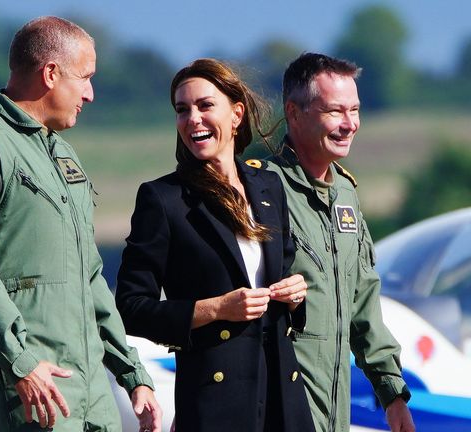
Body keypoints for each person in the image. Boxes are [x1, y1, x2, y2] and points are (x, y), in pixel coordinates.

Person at [0, 16, 161, 432]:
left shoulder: (62, 155)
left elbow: (88, 277)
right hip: (37, 389)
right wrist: (21, 362)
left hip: (92, 396)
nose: (90, 94)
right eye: (85, 78)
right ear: (51, 73)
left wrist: (132, 375)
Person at [115, 58, 315, 432]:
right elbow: (131, 307)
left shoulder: (269, 186)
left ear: (236, 114)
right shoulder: (162, 199)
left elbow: (282, 277)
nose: (193, 119)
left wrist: (296, 293)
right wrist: (216, 308)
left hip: (283, 395)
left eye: (205, 105)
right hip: (215, 402)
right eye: (182, 110)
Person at [261, 52, 414, 431]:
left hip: (334, 415)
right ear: (294, 113)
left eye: (355, 110)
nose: (350, 125)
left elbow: (362, 301)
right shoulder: (260, 190)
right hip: (277, 409)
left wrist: (392, 396)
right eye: (335, 112)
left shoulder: (344, 193)